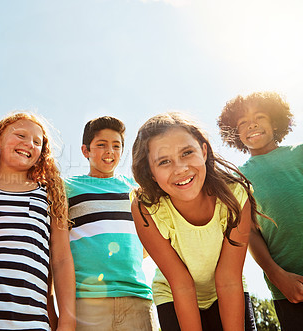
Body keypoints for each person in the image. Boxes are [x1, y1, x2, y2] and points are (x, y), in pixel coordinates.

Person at [131, 112, 262, 331]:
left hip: (228, 288)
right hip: (173, 295)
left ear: (203, 151)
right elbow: (181, 285)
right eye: (164, 161)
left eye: (187, 152)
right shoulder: (146, 208)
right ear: (151, 173)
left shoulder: (235, 197)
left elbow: (229, 279)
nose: (180, 168)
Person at [0, 111, 75, 330]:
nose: (29, 144)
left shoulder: (50, 194)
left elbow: (61, 259)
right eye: (21, 135)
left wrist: (67, 320)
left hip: (29, 319)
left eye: (37, 142)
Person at [218, 91, 303, 330]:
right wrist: (277, 276)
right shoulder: (237, 179)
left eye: (260, 116)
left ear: (275, 121)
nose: (252, 124)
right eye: (242, 122)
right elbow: (250, 233)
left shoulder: (299, 153)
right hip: (290, 286)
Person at [65, 116, 157, 331]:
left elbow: (149, 239)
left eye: (116, 146)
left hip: (137, 296)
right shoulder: (68, 187)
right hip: (87, 300)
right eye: (101, 145)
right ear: (85, 151)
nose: (110, 151)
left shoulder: (135, 189)